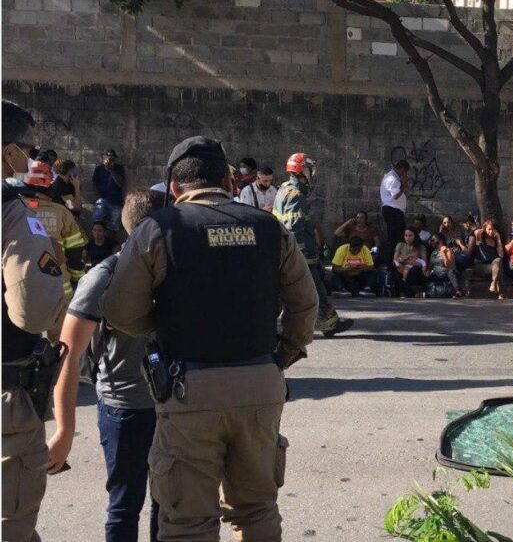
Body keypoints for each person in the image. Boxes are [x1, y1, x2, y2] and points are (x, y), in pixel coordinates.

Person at [101, 136, 318, 541]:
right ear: (229, 181)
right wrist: (281, 356)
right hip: (260, 381)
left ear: (173, 188)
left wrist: (161, 325)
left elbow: (119, 312)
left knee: (188, 522)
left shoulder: (157, 231)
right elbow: (306, 306)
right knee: (257, 510)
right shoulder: (269, 228)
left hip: (188, 388)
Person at [48, 190, 164, 542]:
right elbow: (68, 354)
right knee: (125, 505)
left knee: (169, 504)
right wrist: (64, 432)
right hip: (124, 409)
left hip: (172, 406)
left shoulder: (178, 271)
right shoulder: (105, 275)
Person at [1, 101, 66, 542]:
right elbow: (34, 310)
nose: (30, 159)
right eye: (26, 150)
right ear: (8, 153)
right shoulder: (13, 211)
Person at [273, 152, 352, 337]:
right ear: (301, 171)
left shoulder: (284, 189)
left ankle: (264, 326)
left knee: (282, 293)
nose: (312, 173)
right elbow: (294, 227)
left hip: (286, 251)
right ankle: (329, 324)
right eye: (309, 169)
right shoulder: (296, 195)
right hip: (300, 254)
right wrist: (303, 256)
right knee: (315, 289)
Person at [21, 157, 87, 337]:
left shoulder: (13, 211)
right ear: (50, 185)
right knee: (58, 343)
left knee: (25, 342)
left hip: (23, 287)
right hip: (58, 289)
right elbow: (75, 253)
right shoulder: (62, 213)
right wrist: (77, 281)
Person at [379, 159, 410, 266]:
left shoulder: (395, 177)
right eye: (405, 172)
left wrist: (403, 182)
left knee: (398, 236)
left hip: (396, 210)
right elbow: (396, 195)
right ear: (402, 169)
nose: (405, 174)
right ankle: (390, 262)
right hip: (392, 210)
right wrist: (403, 187)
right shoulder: (392, 178)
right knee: (394, 237)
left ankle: (395, 260)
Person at [92, 149, 126, 234]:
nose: (110, 160)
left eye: (112, 158)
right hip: (102, 200)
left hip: (116, 201)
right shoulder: (99, 168)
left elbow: (120, 184)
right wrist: (98, 196)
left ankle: (111, 244)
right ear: (104, 158)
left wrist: (111, 170)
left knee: (113, 226)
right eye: (108, 158)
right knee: (96, 219)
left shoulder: (119, 168)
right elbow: (94, 183)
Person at [472, 219, 505, 299]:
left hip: (493, 265)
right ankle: (500, 292)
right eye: (489, 229)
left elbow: (501, 255)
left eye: (493, 229)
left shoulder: (495, 241)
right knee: (499, 268)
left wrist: (498, 238)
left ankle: (493, 283)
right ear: (485, 229)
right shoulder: (480, 238)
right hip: (481, 265)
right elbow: (476, 232)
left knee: (498, 261)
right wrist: (483, 230)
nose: (491, 231)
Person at [393, 228, 426, 298]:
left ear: (415, 236)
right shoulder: (400, 245)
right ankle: (411, 293)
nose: (407, 238)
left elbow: (423, 263)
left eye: (410, 235)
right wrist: (402, 262)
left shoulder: (421, 247)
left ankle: (403, 292)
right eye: (406, 235)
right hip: (401, 268)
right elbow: (395, 259)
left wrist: (405, 261)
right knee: (395, 271)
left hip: (414, 271)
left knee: (415, 270)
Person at [426, 233, 462, 298]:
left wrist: (443, 253)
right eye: (431, 240)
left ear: (440, 241)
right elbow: (430, 267)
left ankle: (457, 290)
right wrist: (427, 272)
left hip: (446, 274)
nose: (432, 242)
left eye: (433, 240)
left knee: (451, 272)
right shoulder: (433, 252)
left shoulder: (448, 250)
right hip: (436, 274)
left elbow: (449, 266)